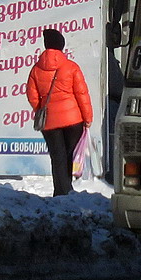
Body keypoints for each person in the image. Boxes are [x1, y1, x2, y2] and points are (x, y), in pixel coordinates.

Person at [26, 29, 93, 196]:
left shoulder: (36, 69)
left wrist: (40, 109)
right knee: (68, 154)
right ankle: (66, 190)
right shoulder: (71, 67)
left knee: (58, 156)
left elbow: (31, 93)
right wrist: (87, 117)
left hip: (49, 121)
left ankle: (61, 191)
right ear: (61, 45)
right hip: (73, 120)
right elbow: (82, 94)